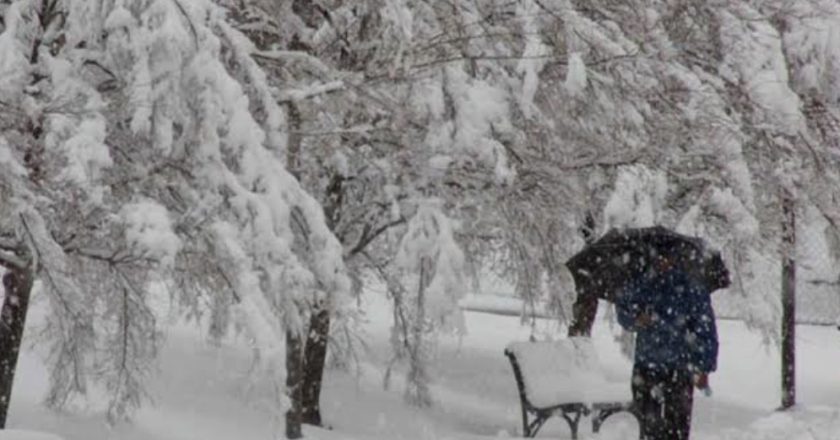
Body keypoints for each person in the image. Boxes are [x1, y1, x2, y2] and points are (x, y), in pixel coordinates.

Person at [616, 254, 718, 440]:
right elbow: (623, 309)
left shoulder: (691, 287)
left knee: (676, 426)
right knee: (647, 424)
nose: (662, 261)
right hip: (647, 365)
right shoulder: (643, 281)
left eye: (667, 256)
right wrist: (636, 319)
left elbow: (706, 329)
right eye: (658, 256)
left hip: (679, 367)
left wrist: (704, 367)